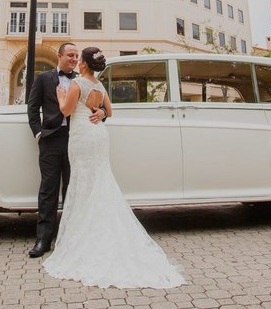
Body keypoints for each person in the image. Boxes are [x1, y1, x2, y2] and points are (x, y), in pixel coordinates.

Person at [42, 46, 184, 289]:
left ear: (84, 64)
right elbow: (109, 111)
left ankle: (85, 239)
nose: (77, 63)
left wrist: (60, 95)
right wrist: (99, 112)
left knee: (82, 184)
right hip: (98, 135)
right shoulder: (99, 86)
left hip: (82, 137)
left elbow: (65, 111)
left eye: (80, 60)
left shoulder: (76, 84)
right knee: (100, 181)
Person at [26, 43, 107, 258]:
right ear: (59, 55)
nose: (73, 59)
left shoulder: (83, 80)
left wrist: (102, 114)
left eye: (76, 56)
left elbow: (101, 106)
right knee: (48, 190)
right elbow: (32, 108)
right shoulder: (43, 79)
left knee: (74, 189)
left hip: (78, 140)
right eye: (70, 55)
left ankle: (72, 238)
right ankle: (43, 239)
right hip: (51, 140)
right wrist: (38, 133)